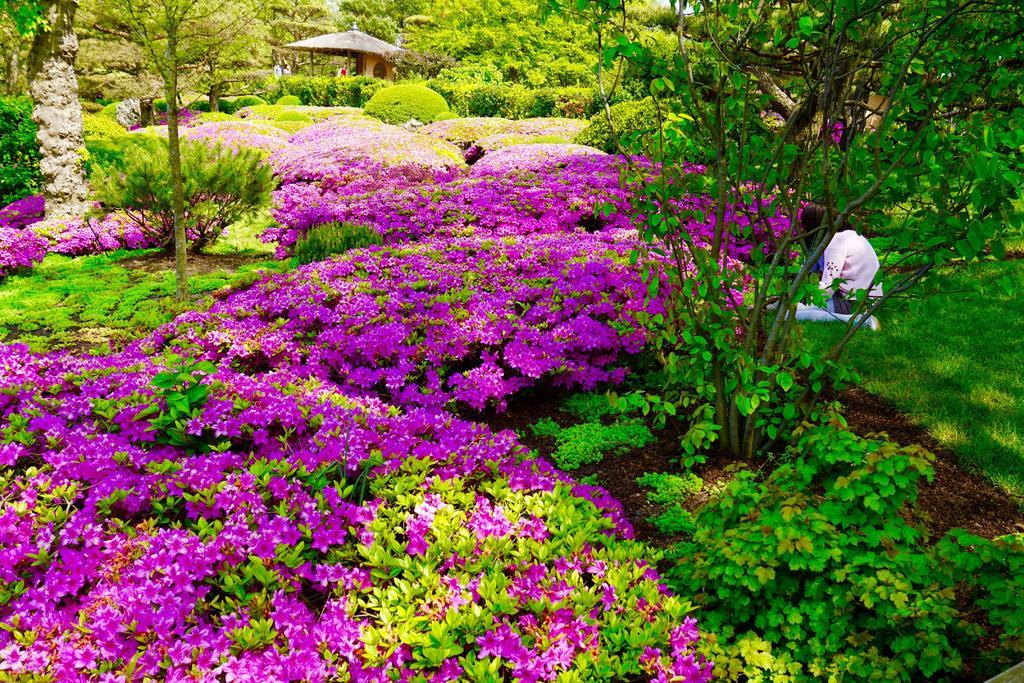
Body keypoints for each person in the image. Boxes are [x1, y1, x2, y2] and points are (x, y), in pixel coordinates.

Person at [794, 204, 883, 330]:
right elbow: (807, 272)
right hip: (863, 298)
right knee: (793, 307)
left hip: (853, 301)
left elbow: (828, 288)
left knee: (793, 314)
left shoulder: (836, 243)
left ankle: (862, 321)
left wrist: (805, 301)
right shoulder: (846, 236)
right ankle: (770, 306)